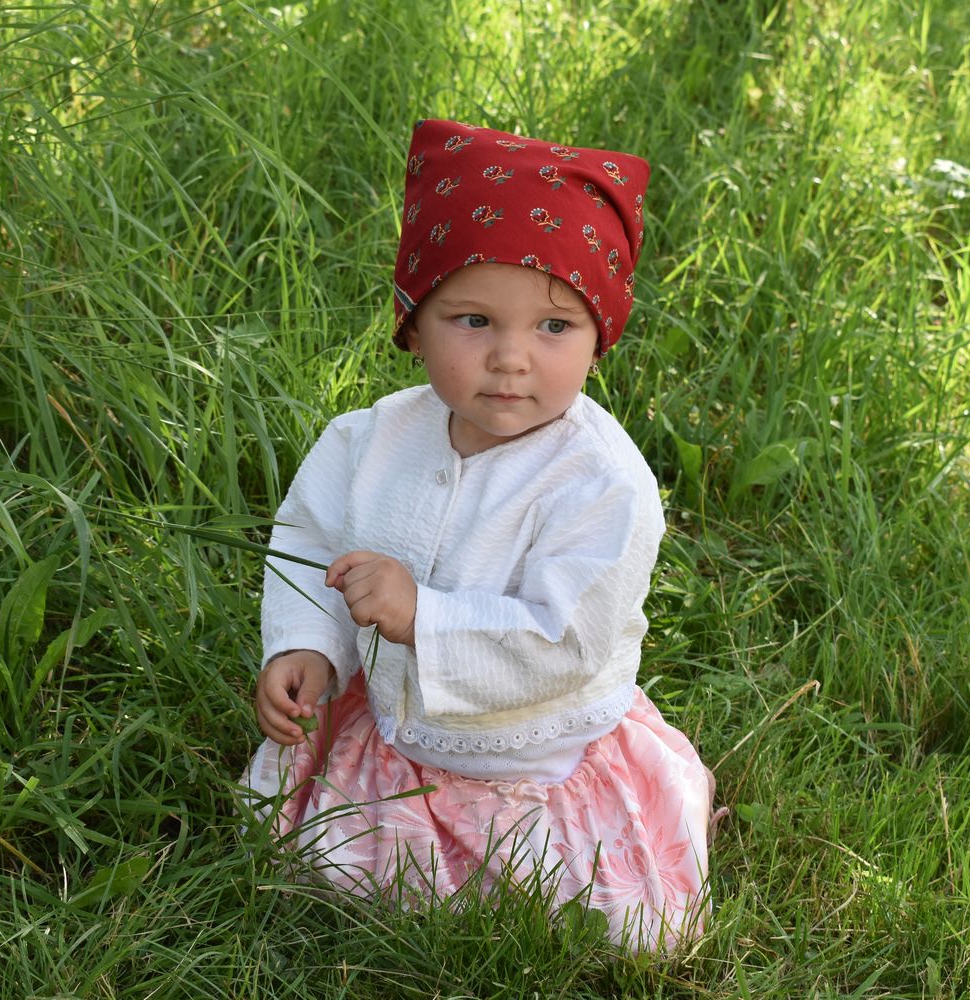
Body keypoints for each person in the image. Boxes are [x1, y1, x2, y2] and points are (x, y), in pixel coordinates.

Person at [240, 119, 713, 950]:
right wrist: (309, 644)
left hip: (535, 759)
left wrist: (424, 617)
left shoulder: (603, 483)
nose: (510, 357)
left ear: (600, 335)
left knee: (618, 929)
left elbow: (566, 638)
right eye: (472, 320)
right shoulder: (371, 438)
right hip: (399, 731)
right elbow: (310, 541)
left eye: (553, 327)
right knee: (312, 867)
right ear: (413, 324)